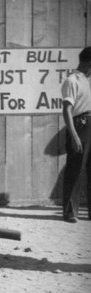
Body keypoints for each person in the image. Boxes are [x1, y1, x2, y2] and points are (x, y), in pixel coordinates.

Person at [61, 46, 91, 222]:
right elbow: (67, 110)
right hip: (80, 125)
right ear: (88, 62)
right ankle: (70, 212)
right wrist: (74, 135)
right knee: (75, 169)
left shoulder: (87, 80)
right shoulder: (72, 80)